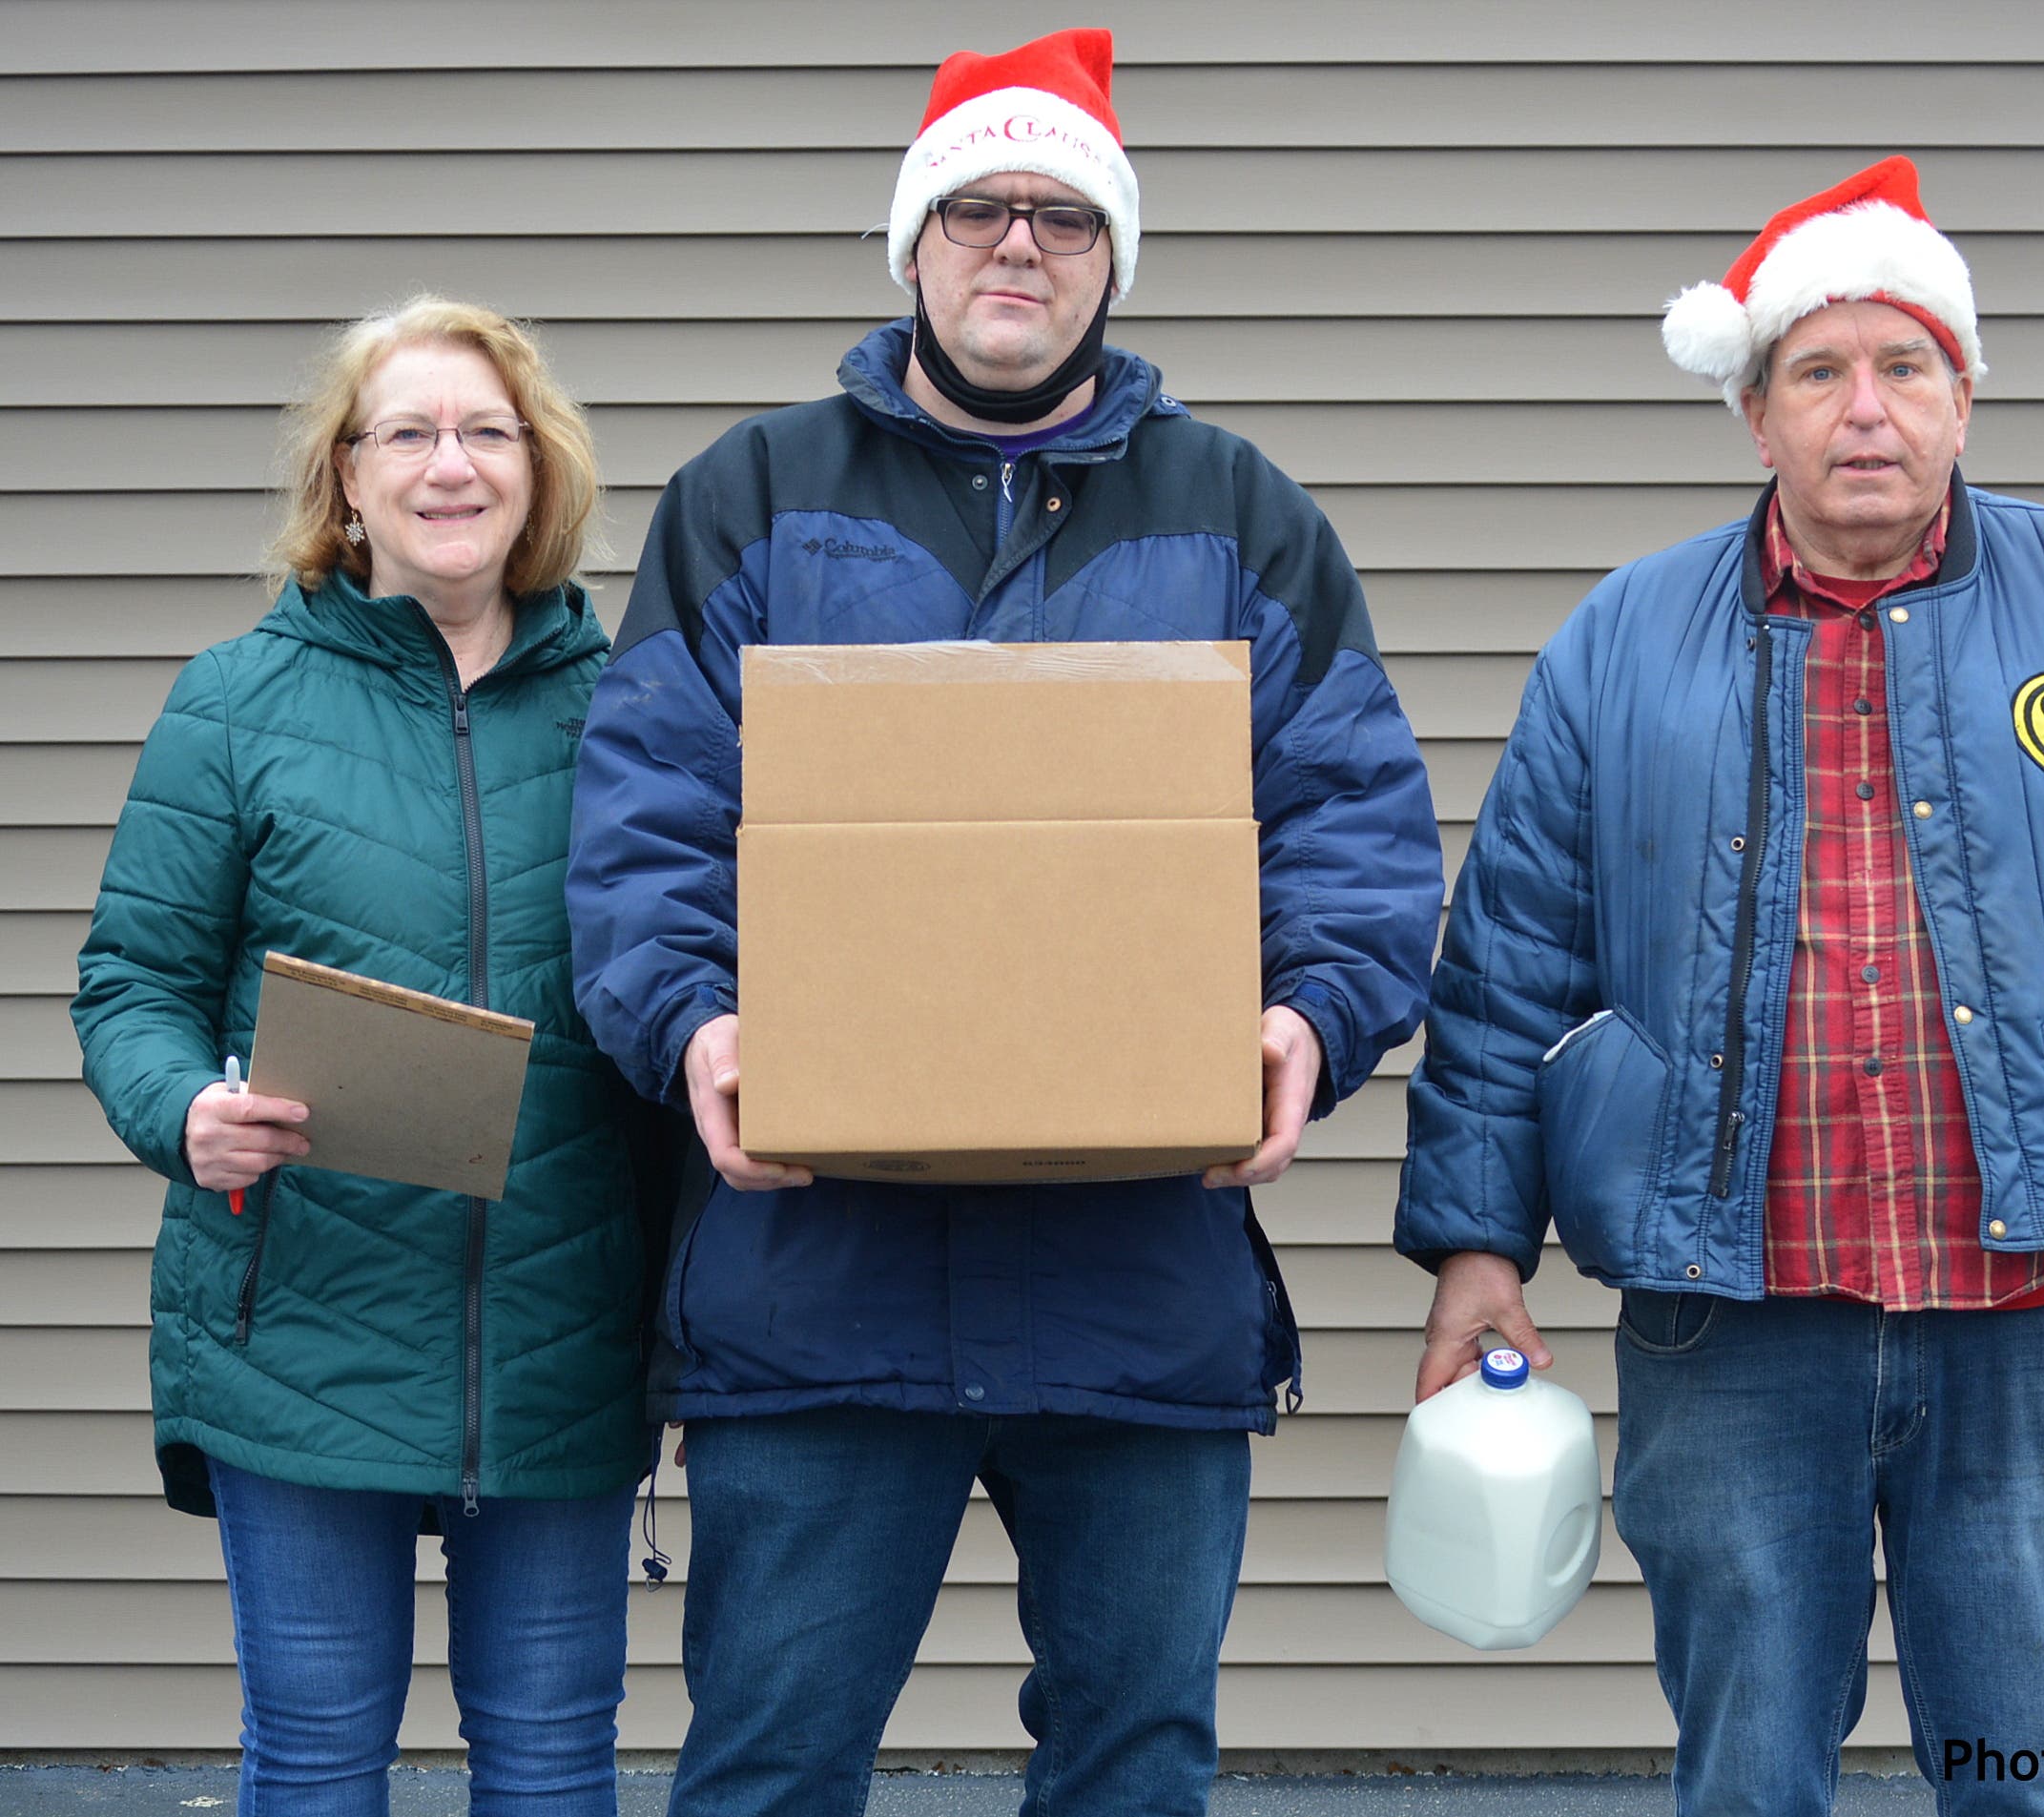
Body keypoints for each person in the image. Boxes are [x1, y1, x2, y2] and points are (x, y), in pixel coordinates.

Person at [565, 27, 1441, 1817]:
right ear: (912, 246)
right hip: (818, 1285)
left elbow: (1357, 830)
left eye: (1059, 214)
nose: (1016, 246)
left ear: (1115, 254)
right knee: (768, 1768)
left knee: (1131, 1768)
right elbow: (643, 818)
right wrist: (693, 1026)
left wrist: (1310, 1021)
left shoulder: (1242, 514)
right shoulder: (752, 496)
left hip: (1137, 1279)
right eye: (975, 210)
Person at [1396, 156, 2044, 1814]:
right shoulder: (1618, 643)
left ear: (1965, 395)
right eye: (1818, 371)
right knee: (1750, 1773)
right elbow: (1505, 967)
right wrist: (1476, 1243)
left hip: (2027, 1313)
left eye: (1905, 365)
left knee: (2037, 1771)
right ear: (1755, 415)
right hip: (1727, 1317)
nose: (1866, 409)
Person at [72, 298, 651, 1815]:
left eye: (485, 431)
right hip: (299, 1322)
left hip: (562, 1325)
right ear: (346, 478)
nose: (448, 464)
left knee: (549, 1764)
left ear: (539, 471)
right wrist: (185, 1104)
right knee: (321, 1760)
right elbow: (133, 980)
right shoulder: (236, 701)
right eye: (407, 432)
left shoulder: (632, 714)